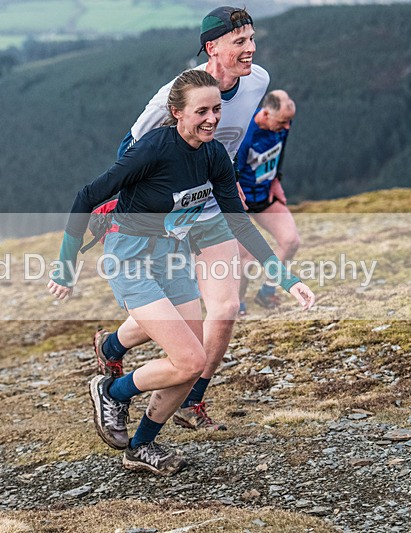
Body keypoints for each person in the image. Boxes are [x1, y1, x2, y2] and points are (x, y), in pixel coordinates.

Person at [49, 70, 315, 475]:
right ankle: (112, 390)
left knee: (191, 363)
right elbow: (86, 196)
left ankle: (140, 447)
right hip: (131, 256)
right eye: (201, 111)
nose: (212, 119)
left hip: (170, 252)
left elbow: (239, 223)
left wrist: (288, 279)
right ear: (176, 113)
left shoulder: (213, 156)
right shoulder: (152, 149)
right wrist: (65, 267)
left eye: (217, 110)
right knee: (191, 360)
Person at [95, 5, 269, 431]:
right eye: (239, 42)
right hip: (169, 213)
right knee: (175, 307)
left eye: (251, 39)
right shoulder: (174, 95)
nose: (250, 49)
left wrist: (229, 182)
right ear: (212, 48)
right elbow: (129, 152)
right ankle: (113, 345)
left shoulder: (259, 81)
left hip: (211, 206)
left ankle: (192, 398)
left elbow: (232, 140)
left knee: (225, 307)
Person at [236, 89, 301, 315]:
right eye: (283, 122)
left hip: (264, 195)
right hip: (240, 200)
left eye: (290, 121)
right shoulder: (245, 135)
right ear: (265, 114)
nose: (287, 128)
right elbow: (231, 174)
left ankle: (267, 291)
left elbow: (279, 154)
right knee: (247, 255)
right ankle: (237, 303)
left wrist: (276, 180)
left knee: (291, 240)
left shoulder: (281, 128)